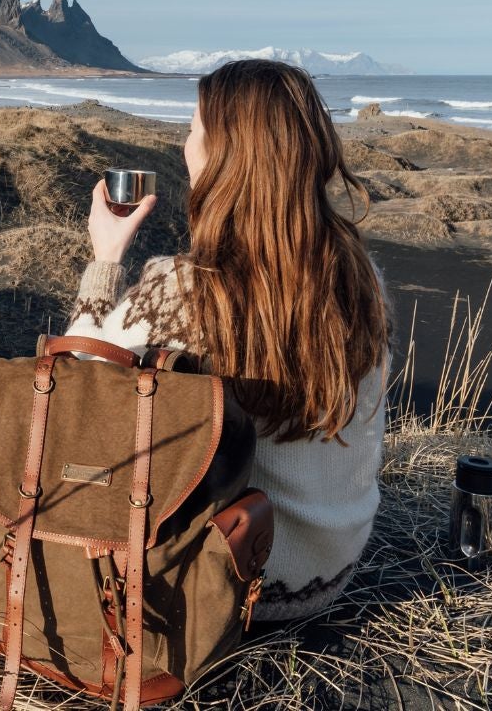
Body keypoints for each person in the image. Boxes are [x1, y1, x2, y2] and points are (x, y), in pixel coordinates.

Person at [64, 57, 390, 623]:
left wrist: (104, 260)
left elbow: (78, 386)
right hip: (330, 569)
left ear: (224, 156)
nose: (185, 146)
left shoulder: (180, 288)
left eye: (194, 130)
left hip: (229, 585)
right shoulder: (361, 278)